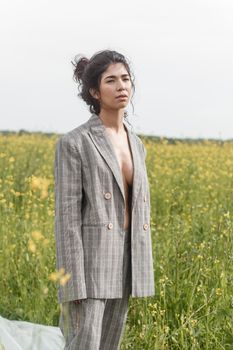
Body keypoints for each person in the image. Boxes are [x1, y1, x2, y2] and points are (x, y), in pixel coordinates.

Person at [54, 49, 155, 350]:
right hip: (90, 265)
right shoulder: (75, 143)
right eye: (111, 81)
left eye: (125, 79)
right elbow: (67, 219)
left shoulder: (136, 143)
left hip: (126, 261)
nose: (121, 86)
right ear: (95, 92)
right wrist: (74, 283)